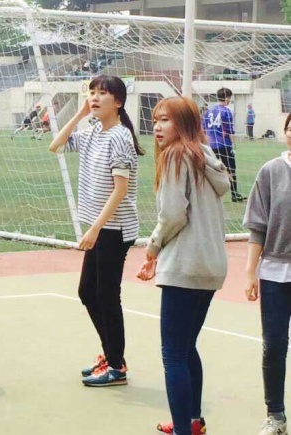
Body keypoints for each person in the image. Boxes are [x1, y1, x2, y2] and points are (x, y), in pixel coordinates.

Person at [137, 96, 230, 435]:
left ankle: (182, 429)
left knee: (173, 354)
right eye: (156, 120)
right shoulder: (205, 155)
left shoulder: (176, 155)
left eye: (166, 120)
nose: (158, 127)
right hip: (211, 266)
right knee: (187, 347)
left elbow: (173, 214)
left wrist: (152, 248)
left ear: (185, 124)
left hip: (185, 265)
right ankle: (192, 421)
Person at [49, 75, 144, 387]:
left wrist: (94, 229)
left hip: (113, 229)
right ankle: (112, 354)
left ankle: (116, 366)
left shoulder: (120, 137)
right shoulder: (92, 133)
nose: (95, 97)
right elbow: (55, 145)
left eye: (103, 93)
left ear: (118, 102)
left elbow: (120, 190)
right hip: (98, 227)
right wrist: (79, 113)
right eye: (92, 92)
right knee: (88, 292)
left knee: (106, 295)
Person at [243, 114, 291, 435]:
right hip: (275, 272)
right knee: (273, 345)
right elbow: (257, 227)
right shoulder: (271, 172)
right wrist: (250, 272)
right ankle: (276, 416)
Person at [203, 87, 246, 202]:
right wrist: (233, 145)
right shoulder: (226, 111)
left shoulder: (208, 111)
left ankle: (207, 195)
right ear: (227, 98)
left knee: (210, 170)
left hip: (211, 145)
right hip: (224, 145)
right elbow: (230, 131)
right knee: (231, 169)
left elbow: (204, 129)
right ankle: (234, 194)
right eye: (230, 98)